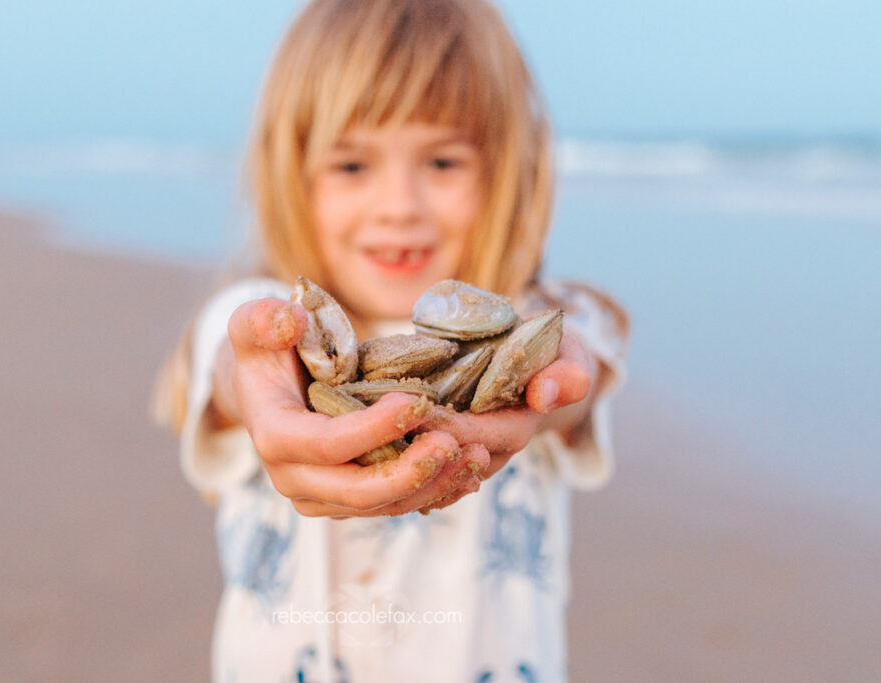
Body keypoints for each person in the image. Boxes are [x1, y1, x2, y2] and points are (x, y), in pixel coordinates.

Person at [152, 0, 629, 680]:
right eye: (351, 166)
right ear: (290, 172)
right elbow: (234, 362)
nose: (398, 204)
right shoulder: (267, 324)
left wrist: (550, 387)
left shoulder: (540, 322)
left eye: (442, 161)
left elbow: (578, 370)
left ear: (508, 171)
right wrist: (255, 379)